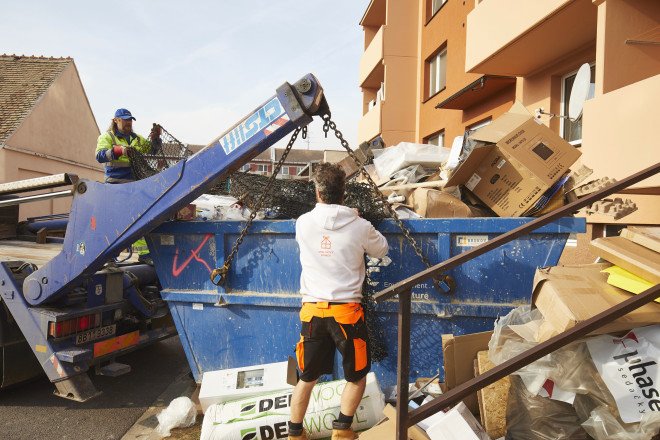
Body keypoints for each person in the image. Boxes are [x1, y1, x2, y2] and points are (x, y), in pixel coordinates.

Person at [288, 163, 388, 440]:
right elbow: (382, 249)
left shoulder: (303, 223)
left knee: (306, 377)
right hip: (347, 315)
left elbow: (323, 229)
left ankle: (295, 433)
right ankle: (342, 430)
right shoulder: (360, 225)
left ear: (318, 192)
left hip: (312, 314)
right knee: (356, 376)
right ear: (344, 192)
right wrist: (355, 220)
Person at [95, 108, 161, 264]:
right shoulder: (108, 137)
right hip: (115, 185)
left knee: (138, 219)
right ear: (116, 120)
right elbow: (100, 156)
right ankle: (110, 256)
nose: (128, 123)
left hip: (135, 186)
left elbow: (152, 150)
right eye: (125, 120)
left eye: (130, 120)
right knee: (115, 220)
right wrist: (119, 150)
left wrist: (156, 139)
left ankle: (144, 254)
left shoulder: (136, 139)